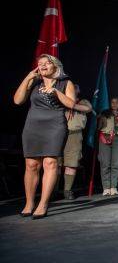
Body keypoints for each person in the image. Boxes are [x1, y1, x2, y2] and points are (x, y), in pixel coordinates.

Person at [13, 54, 76, 219]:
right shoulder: (34, 82)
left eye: (46, 63)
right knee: (31, 164)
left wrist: (55, 92)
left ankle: (43, 203)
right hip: (33, 126)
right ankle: (29, 203)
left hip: (55, 126)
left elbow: (71, 104)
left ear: (55, 65)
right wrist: (28, 77)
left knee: (50, 162)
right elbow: (18, 101)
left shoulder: (65, 83)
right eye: (39, 63)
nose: (42, 65)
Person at [61, 84, 92, 200]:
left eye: (75, 88)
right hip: (58, 133)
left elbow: (88, 109)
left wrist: (71, 105)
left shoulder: (83, 102)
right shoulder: (60, 99)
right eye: (70, 87)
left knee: (71, 163)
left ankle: (67, 190)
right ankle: (52, 192)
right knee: (55, 163)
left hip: (74, 134)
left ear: (78, 91)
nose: (73, 89)